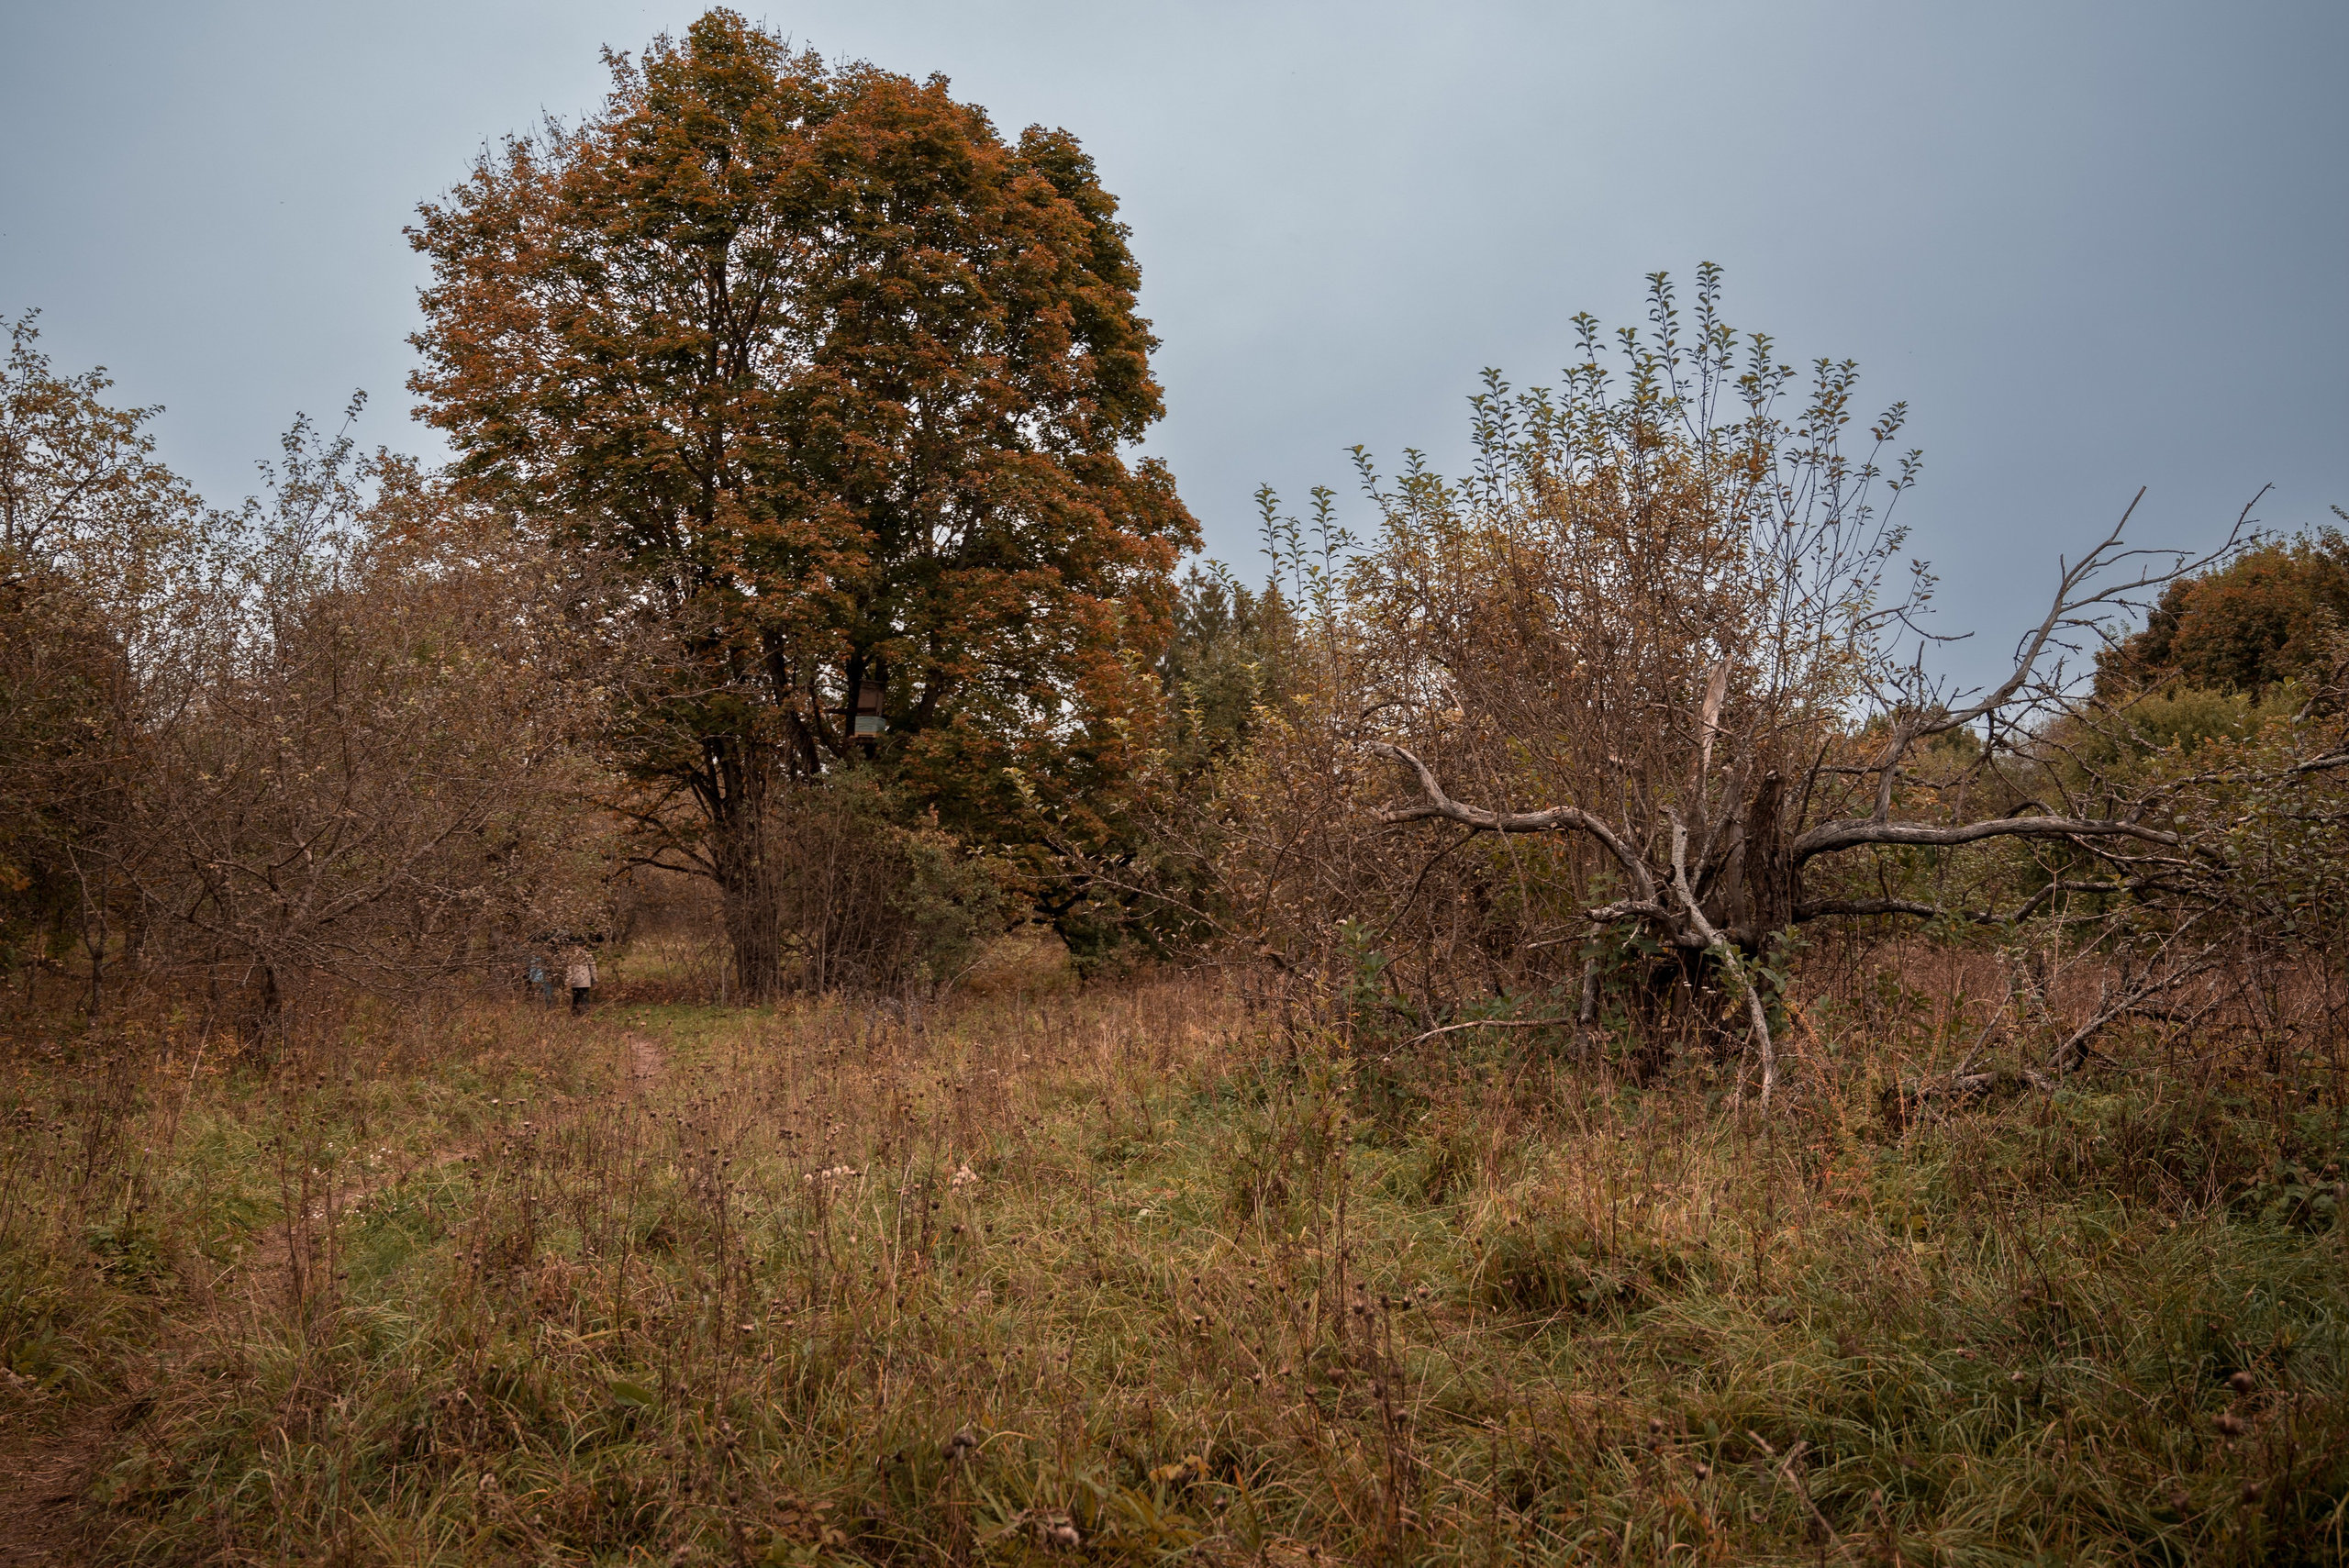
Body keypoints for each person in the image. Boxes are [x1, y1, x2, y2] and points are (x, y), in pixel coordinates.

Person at [565, 946, 596, 1015]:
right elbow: (593, 968)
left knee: (576, 998)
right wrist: (595, 980)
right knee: (584, 998)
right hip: (586, 981)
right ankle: (585, 1013)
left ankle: (575, 1013)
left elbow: (569, 969)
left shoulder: (570, 955)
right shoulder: (587, 954)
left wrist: (567, 981)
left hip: (575, 982)